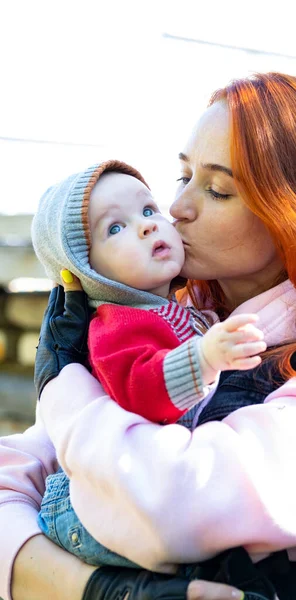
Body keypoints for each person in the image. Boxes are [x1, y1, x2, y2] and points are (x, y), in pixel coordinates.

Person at [2, 71, 296, 600]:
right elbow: (14, 472)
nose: (178, 208)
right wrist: (90, 588)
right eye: (182, 177)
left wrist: (61, 383)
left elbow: (171, 504)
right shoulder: (178, 319)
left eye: (216, 189)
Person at [31, 159, 265, 569]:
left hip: (134, 490)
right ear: (88, 271)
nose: (147, 226)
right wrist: (206, 357)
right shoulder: (115, 324)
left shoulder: (176, 310)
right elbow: (139, 389)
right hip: (89, 508)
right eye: (115, 228)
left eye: (148, 209)